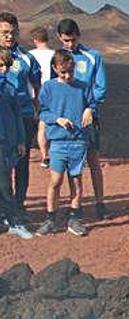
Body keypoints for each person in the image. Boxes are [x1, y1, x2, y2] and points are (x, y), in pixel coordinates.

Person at [54, 19, 109, 220]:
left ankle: (100, 203)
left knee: (94, 160)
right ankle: (74, 204)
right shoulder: (57, 58)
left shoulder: (92, 57)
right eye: (66, 40)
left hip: (88, 117)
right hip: (65, 121)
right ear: (59, 38)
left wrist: (90, 107)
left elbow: (100, 87)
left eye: (73, 39)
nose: (70, 44)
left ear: (79, 35)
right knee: (70, 165)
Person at [35, 50, 93, 237]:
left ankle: (74, 218)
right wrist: (57, 119)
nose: (67, 76)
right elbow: (42, 112)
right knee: (55, 180)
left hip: (78, 140)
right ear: (55, 69)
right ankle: (50, 218)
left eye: (70, 72)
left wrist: (89, 110)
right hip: (58, 141)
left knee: (76, 180)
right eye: (63, 73)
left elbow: (92, 104)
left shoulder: (82, 87)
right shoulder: (48, 87)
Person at [0, 12, 40, 214]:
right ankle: (4, 208)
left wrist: (36, 108)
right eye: (5, 32)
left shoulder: (27, 58)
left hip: (22, 117)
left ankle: (19, 204)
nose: (9, 36)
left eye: (13, 32)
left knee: (21, 163)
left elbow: (37, 84)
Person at [0, 47, 31, 239]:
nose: (4, 69)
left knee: (5, 181)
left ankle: (10, 220)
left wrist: (21, 140)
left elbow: (18, 116)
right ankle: (13, 221)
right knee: (3, 184)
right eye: (0, 65)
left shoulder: (10, 89)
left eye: (6, 66)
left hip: (9, 142)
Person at [28, 26, 53, 170]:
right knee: (49, 124)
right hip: (52, 93)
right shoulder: (55, 54)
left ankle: (44, 155)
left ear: (35, 39)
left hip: (34, 93)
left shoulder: (29, 55)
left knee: (41, 126)